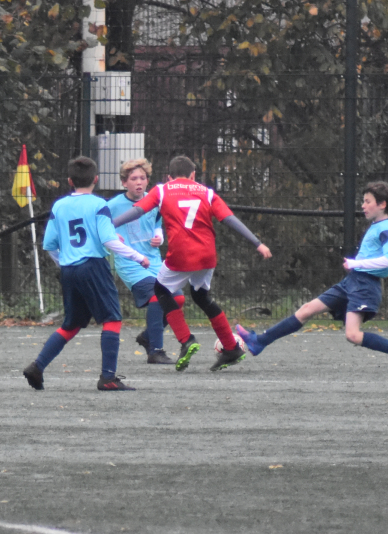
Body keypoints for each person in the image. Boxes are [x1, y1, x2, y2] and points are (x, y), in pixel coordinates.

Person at [110, 154, 271, 371]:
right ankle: (231, 347)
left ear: (169, 177)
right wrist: (257, 243)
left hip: (181, 255)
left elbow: (138, 210)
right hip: (207, 256)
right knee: (201, 297)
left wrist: (111, 225)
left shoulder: (162, 190)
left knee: (161, 291)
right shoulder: (207, 192)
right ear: (193, 175)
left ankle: (186, 340)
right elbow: (229, 219)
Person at [242, 181, 388, 372]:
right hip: (353, 281)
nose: (363, 205)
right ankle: (260, 341)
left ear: (382, 204)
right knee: (306, 310)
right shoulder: (376, 225)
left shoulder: (385, 228)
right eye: (363, 201)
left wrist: (357, 264)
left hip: (366, 287)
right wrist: (355, 266)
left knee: (352, 335)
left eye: (367, 201)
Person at [23, 155, 156, 391]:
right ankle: (108, 378)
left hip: (69, 270)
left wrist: (65, 263)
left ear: (69, 181)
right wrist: (138, 257)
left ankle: (37, 366)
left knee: (72, 324)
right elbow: (108, 240)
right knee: (112, 319)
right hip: (93, 266)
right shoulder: (98, 205)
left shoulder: (59, 206)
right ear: (96, 179)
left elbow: (49, 244)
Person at [106, 158, 174, 365]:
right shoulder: (112, 206)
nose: (138, 182)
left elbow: (157, 223)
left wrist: (159, 236)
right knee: (156, 297)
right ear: (124, 182)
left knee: (177, 299)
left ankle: (147, 336)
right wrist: (112, 236)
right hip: (130, 264)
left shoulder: (154, 201)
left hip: (154, 261)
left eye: (142, 178)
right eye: (133, 178)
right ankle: (156, 350)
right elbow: (100, 226)